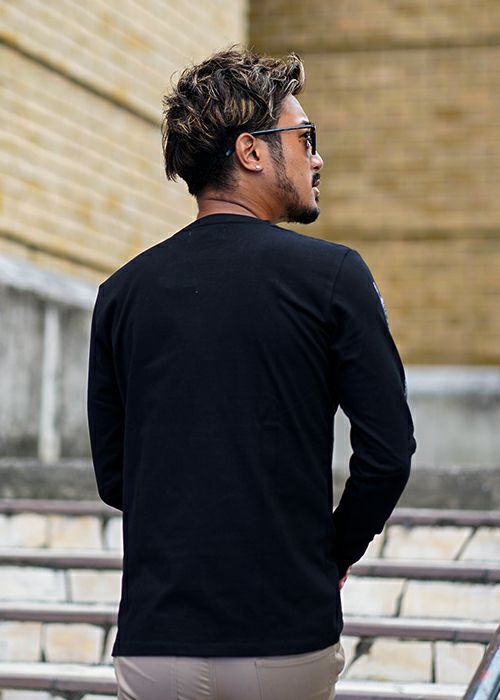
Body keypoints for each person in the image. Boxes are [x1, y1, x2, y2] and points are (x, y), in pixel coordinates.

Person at [87, 46, 417, 700]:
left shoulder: (120, 293)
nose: (317, 158)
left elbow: (116, 476)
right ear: (251, 152)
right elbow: (388, 453)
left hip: (155, 644)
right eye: (305, 138)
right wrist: (330, 554)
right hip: (283, 637)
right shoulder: (333, 276)